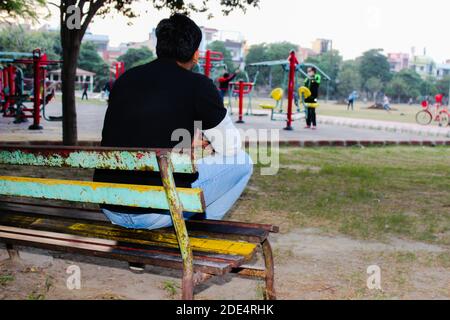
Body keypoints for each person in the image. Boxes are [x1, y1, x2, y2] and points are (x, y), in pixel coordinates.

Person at [93, 14, 252, 233]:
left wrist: (189, 141)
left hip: (111, 205)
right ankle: (199, 234)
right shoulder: (199, 85)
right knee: (242, 161)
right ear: (196, 54)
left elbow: (139, 129)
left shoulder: (126, 79)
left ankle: (151, 242)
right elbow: (231, 148)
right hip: (157, 210)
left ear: (159, 46)